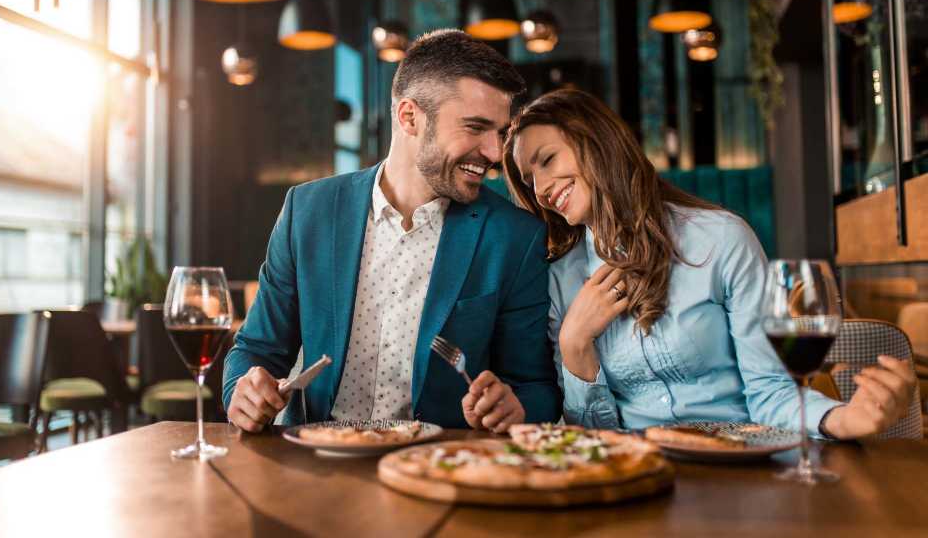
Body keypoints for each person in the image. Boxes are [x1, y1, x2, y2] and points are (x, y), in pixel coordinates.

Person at [503, 88, 915, 439]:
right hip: (638, 475)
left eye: (547, 160)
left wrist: (844, 419)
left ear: (595, 141)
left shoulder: (720, 239)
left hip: (740, 465)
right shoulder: (558, 278)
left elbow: (770, 391)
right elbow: (593, 437)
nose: (539, 190)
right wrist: (574, 343)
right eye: (528, 179)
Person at [223, 29, 561, 432]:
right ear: (409, 117)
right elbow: (256, 349)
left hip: (437, 468)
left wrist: (516, 406)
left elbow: (537, 387)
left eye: (500, 133)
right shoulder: (307, 211)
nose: (493, 153)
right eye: (475, 128)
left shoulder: (515, 237)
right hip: (316, 459)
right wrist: (242, 391)